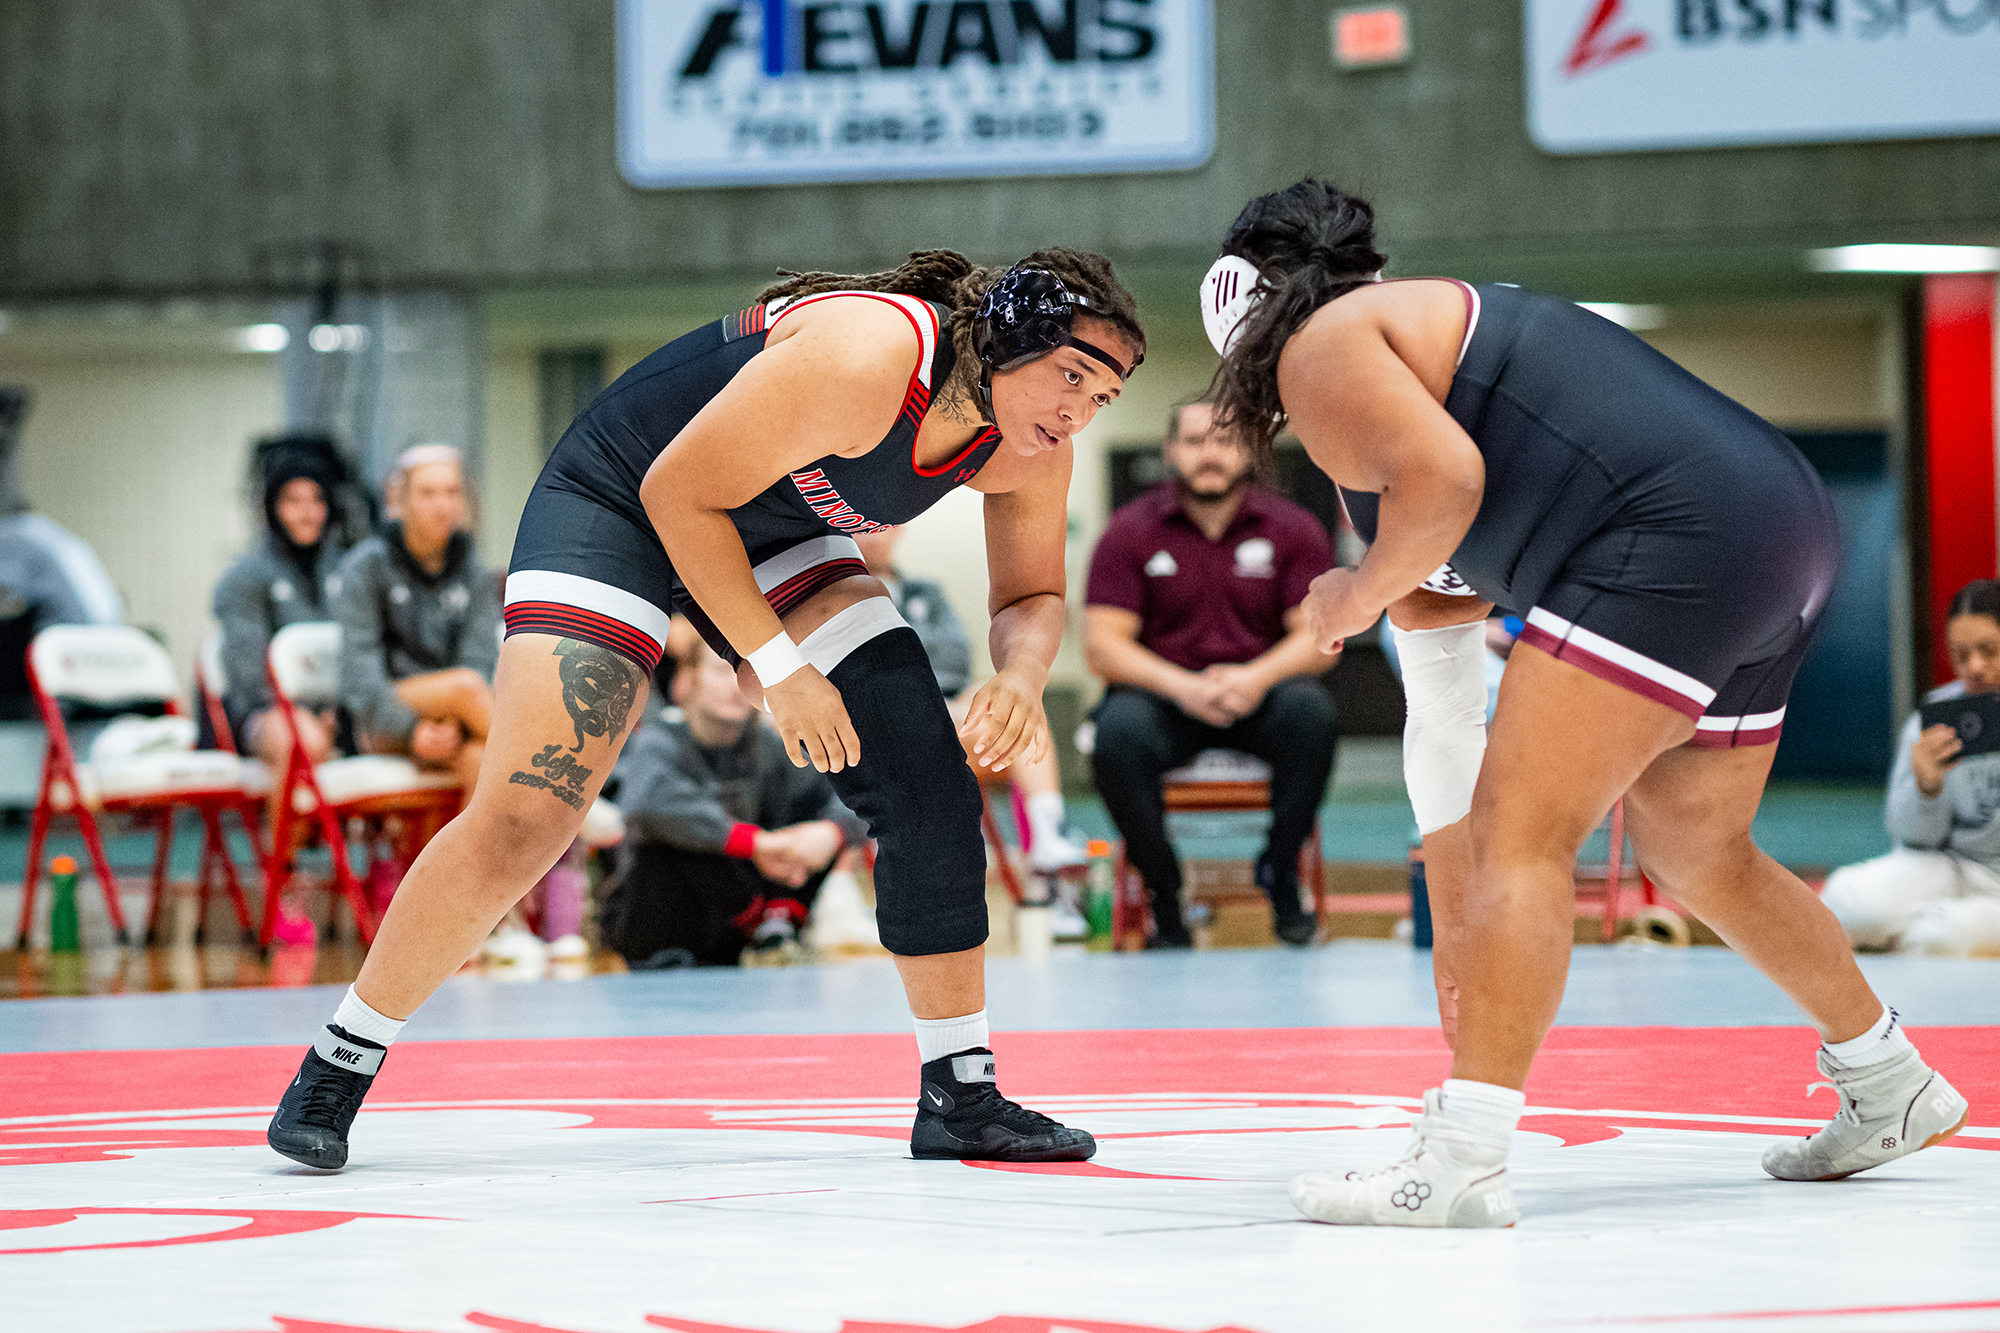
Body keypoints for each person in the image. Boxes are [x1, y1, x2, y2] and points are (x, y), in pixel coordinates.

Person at [267, 248, 1145, 1170]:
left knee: (925, 780)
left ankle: (960, 1095)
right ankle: (339, 1059)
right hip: (621, 499)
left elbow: (1030, 600)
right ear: (1004, 343)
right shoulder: (868, 355)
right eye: (1070, 377)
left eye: (1102, 397)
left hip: (775, 526)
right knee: (532, 810)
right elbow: (676, 494)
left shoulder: (1030, 448)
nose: (1077, 412)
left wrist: (1019, 677)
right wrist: (773, 661)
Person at [1199, 179, 1967, 1227]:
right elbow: (1442, 701)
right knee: (1698, 849)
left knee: (1526, 832)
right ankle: (1887, 1074)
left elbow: (1448, 485)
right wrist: (1456, 901)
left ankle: (1460, 1159)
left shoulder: (1326, 345)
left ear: (1236, 302)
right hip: (1779, 524)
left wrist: (1347, 590)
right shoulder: (1400, 362)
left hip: (1674, 531)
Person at [1083, 401, 1340, 947]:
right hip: (1166, 701)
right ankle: (1165, 892)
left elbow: (1318, 640)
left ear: (1248, 451)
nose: (1210, 455)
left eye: (1225, 441)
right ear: (1171, 450)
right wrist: (1186, 688)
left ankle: (1278, 869)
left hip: (1261, 696)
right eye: (1196, 441)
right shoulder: (1129, 532)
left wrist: (1253, 679)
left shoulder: (1294, 530)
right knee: (1116, 733)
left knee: (1311, 713)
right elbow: (1103, 647)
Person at [602, 634, 867, 968]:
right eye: (721, 670)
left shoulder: (772, 746)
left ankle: (777, 926)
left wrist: (833, 833)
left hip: (746, 918)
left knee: (818, 818)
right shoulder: (659, 741)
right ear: (688, 680)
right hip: (665, 929)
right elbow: (645, 804)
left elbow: (851, 795)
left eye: (749, 673)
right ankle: (760, 925)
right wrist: (755, 844)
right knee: (670, 834)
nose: (736, 685)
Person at [853, 524, 1088, 874]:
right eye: (862, 529)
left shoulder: (926, 593)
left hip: (945, 715)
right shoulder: (831, 599)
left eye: (880, 527)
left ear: (897, 528)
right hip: (871, 729)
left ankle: (1048, 831)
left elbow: (955, 655)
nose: (872, 536)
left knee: (1018, 705)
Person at [1820, 580, 2000, 956]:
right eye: (1960, 654)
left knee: (1943, 938)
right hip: (1952, 868)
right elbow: (1912, 841)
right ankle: (1925, 933)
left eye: (1989, 651)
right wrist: (1927, 788)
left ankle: (1917, 936)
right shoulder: (1936, 718)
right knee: (1845, 900)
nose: (1975, 667)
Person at [331, 444, 498, 794]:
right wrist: (410, 731)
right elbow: (360, 673)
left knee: (480, 762)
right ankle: (565, 793)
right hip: (378, 715)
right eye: (427, 493)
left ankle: (446, 852)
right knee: (464, 687)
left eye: (452, 492)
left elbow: (481, 659)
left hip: (459, 716)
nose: (443, 504)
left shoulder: (476, 573)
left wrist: (452, 723)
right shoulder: (366, 567)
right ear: (399, 500)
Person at [213, 434, 350, 778]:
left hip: (335, 707)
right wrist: (307, 713)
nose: (306, 512)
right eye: (292, 500)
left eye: (317, 499)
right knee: (303, 740)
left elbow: (364, 653)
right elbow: (250, 674)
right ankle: (288, 835)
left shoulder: (349, 570)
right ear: (272, 507)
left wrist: (340, 709)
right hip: (263, 714)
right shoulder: (243, 576)